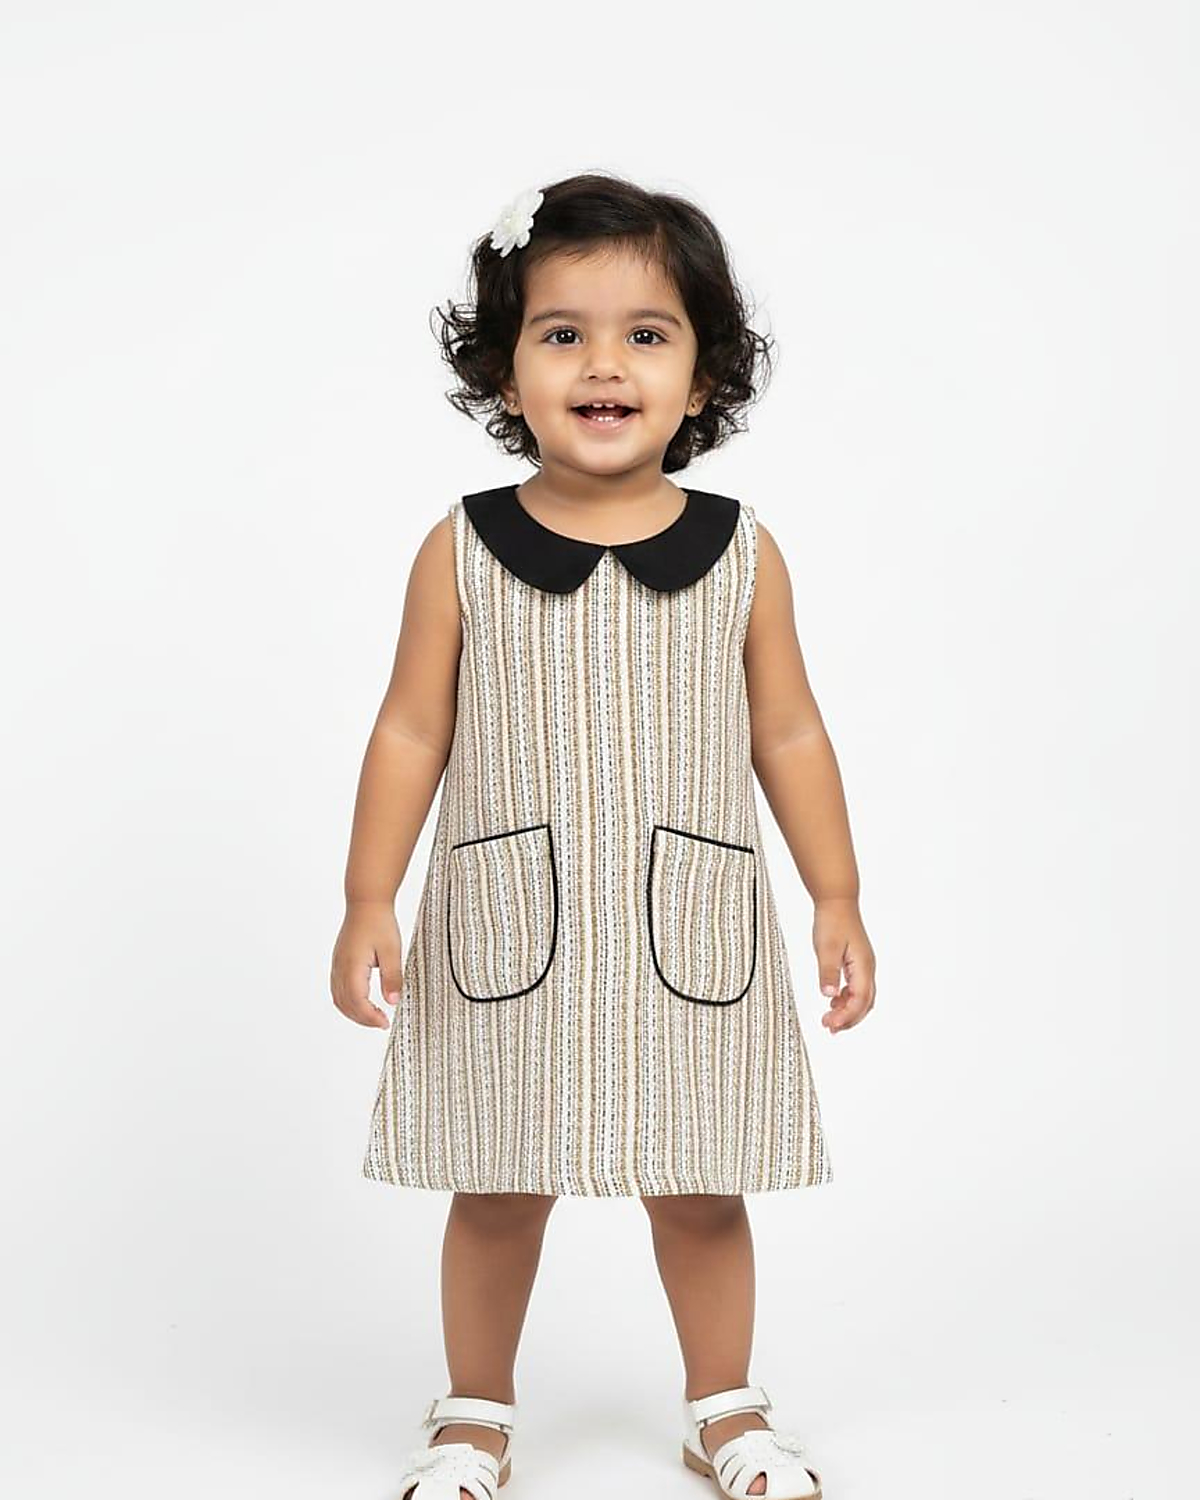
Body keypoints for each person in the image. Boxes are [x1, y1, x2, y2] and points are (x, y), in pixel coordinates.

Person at [331, 171, 877, 1500]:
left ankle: (725, 1408)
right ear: (505, 371)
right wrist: (367, 898)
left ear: (703, 378)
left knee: (701, 1181)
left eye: (647, 334)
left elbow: (790, 732)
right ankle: (472, 1412)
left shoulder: (744, 553)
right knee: (495, 1180)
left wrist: (837, 896)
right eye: (562, 332)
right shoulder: (460, 550)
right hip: (507, 931)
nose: (604, 365)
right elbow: (409, 730)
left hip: (690, 930)